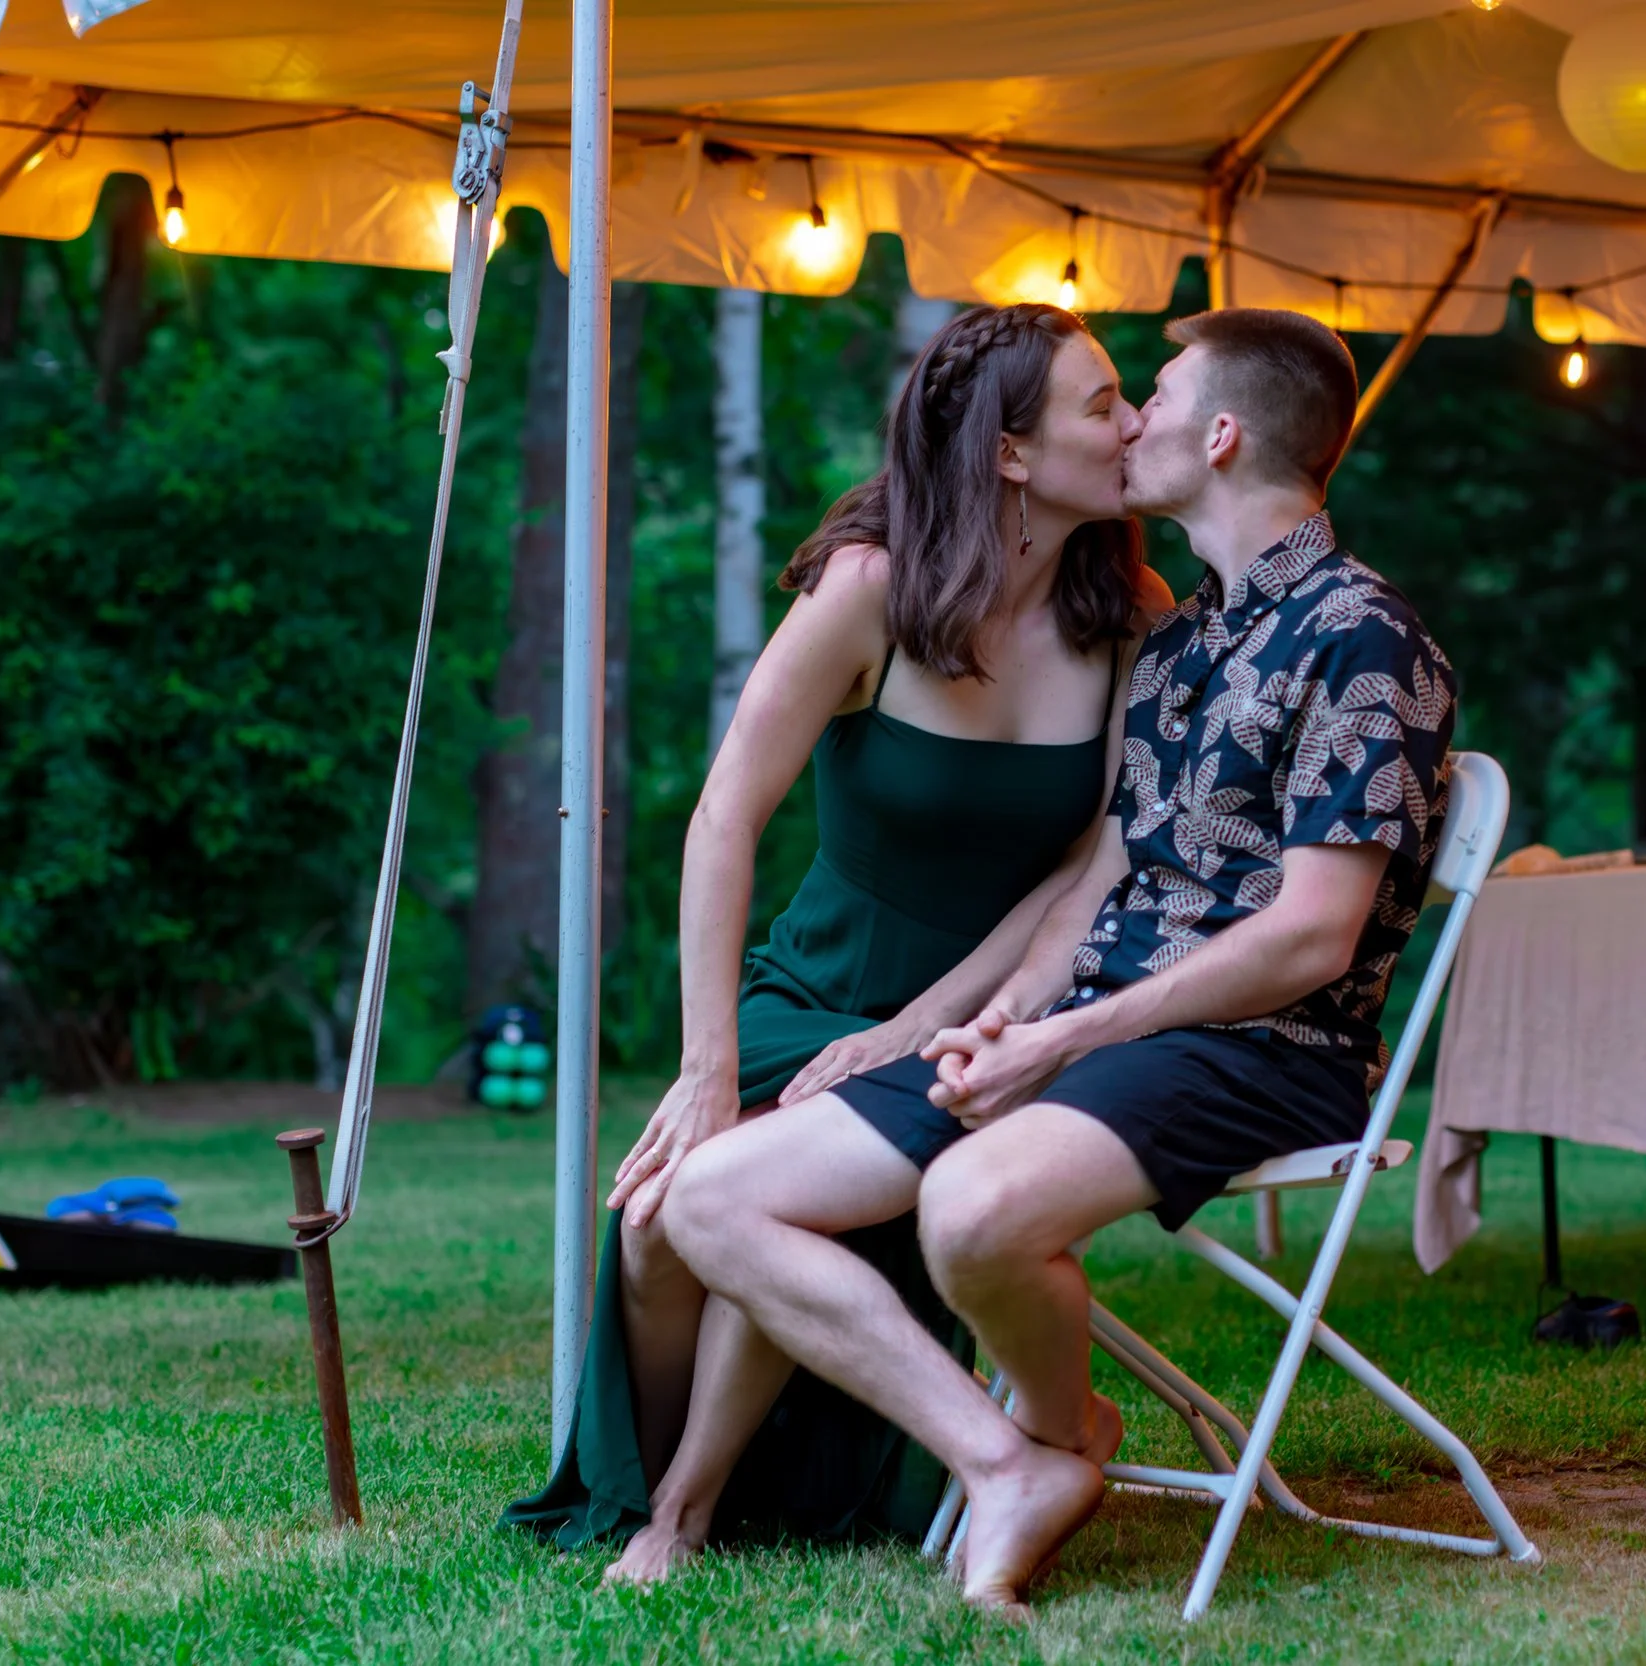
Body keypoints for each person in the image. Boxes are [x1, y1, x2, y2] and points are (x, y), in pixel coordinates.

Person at [660, 307, 1458, 1615]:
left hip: (1263, 1046)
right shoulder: (1182, 640)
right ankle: (1015, 1459)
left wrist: (1065, 1034)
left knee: (969, 1209)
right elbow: (1098, 877)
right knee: (710, 1198)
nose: (1134, 418)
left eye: (1154, 394)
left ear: (1220, 435)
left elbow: (1312, 938)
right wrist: (998, 1018)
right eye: (1116, 399)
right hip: (1097, 1025)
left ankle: (1037, 1445)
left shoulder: (1362, 638)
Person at [501, 303, 1173, 1569]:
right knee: (654, 1225)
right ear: (1011, 453)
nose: (1136, 423)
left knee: (775, 1193)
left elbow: (1089, 866)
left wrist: (919, 1026)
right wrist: (706, 1070)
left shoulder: (1131, 612)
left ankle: (687, 1509)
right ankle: (661, 1487)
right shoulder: (872, 586)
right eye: (1103, 404)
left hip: (991, 1018)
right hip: (814, 985)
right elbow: (724, 815)